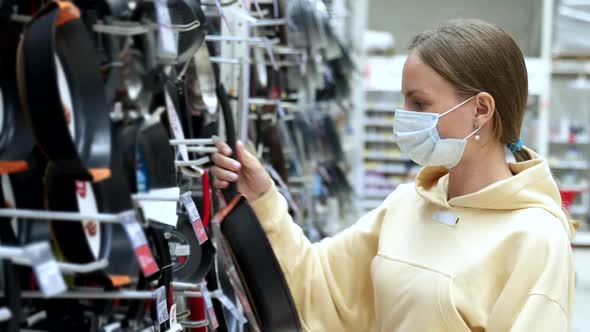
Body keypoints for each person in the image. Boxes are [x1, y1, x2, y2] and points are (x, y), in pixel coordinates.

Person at [211, 19, 577, 331]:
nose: (404, 117)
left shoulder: (535, 237)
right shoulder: (405, 206)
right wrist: (263, 199)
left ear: (480, 109)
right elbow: (317, 288)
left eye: (419, 103)